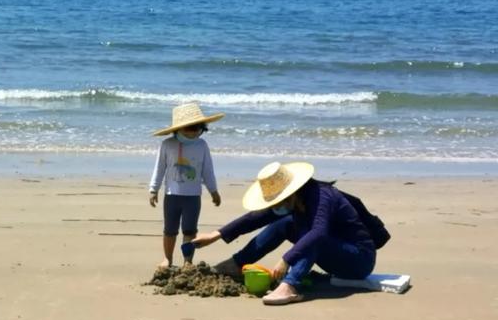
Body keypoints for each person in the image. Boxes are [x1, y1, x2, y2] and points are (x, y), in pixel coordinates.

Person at [191, 161, 377, 305]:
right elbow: (254, 218)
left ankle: (290, 285)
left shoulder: (322, 196)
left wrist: (287, 259)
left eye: (277, 202)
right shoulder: (294, 200)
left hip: (358, 260)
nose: (275, 206)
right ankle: (236, 264)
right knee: (284, 223)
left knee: (315, 236)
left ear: (291, 192)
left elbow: (319, 233)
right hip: (334, 258)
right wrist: (216, 234)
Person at [149, 102, 224, 268]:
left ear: (202, 128)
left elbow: (207, 170)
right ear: (178, 129)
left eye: (196, 128)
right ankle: (167, 258)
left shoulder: (202, 145)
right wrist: (153, 189)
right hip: (172, 195)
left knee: (190, 230)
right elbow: (159, 167)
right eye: (188, 128)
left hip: (193, 197)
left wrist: (213, 190)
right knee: (170, 229)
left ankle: (187, 261)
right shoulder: (167, 145)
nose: (192, 132)